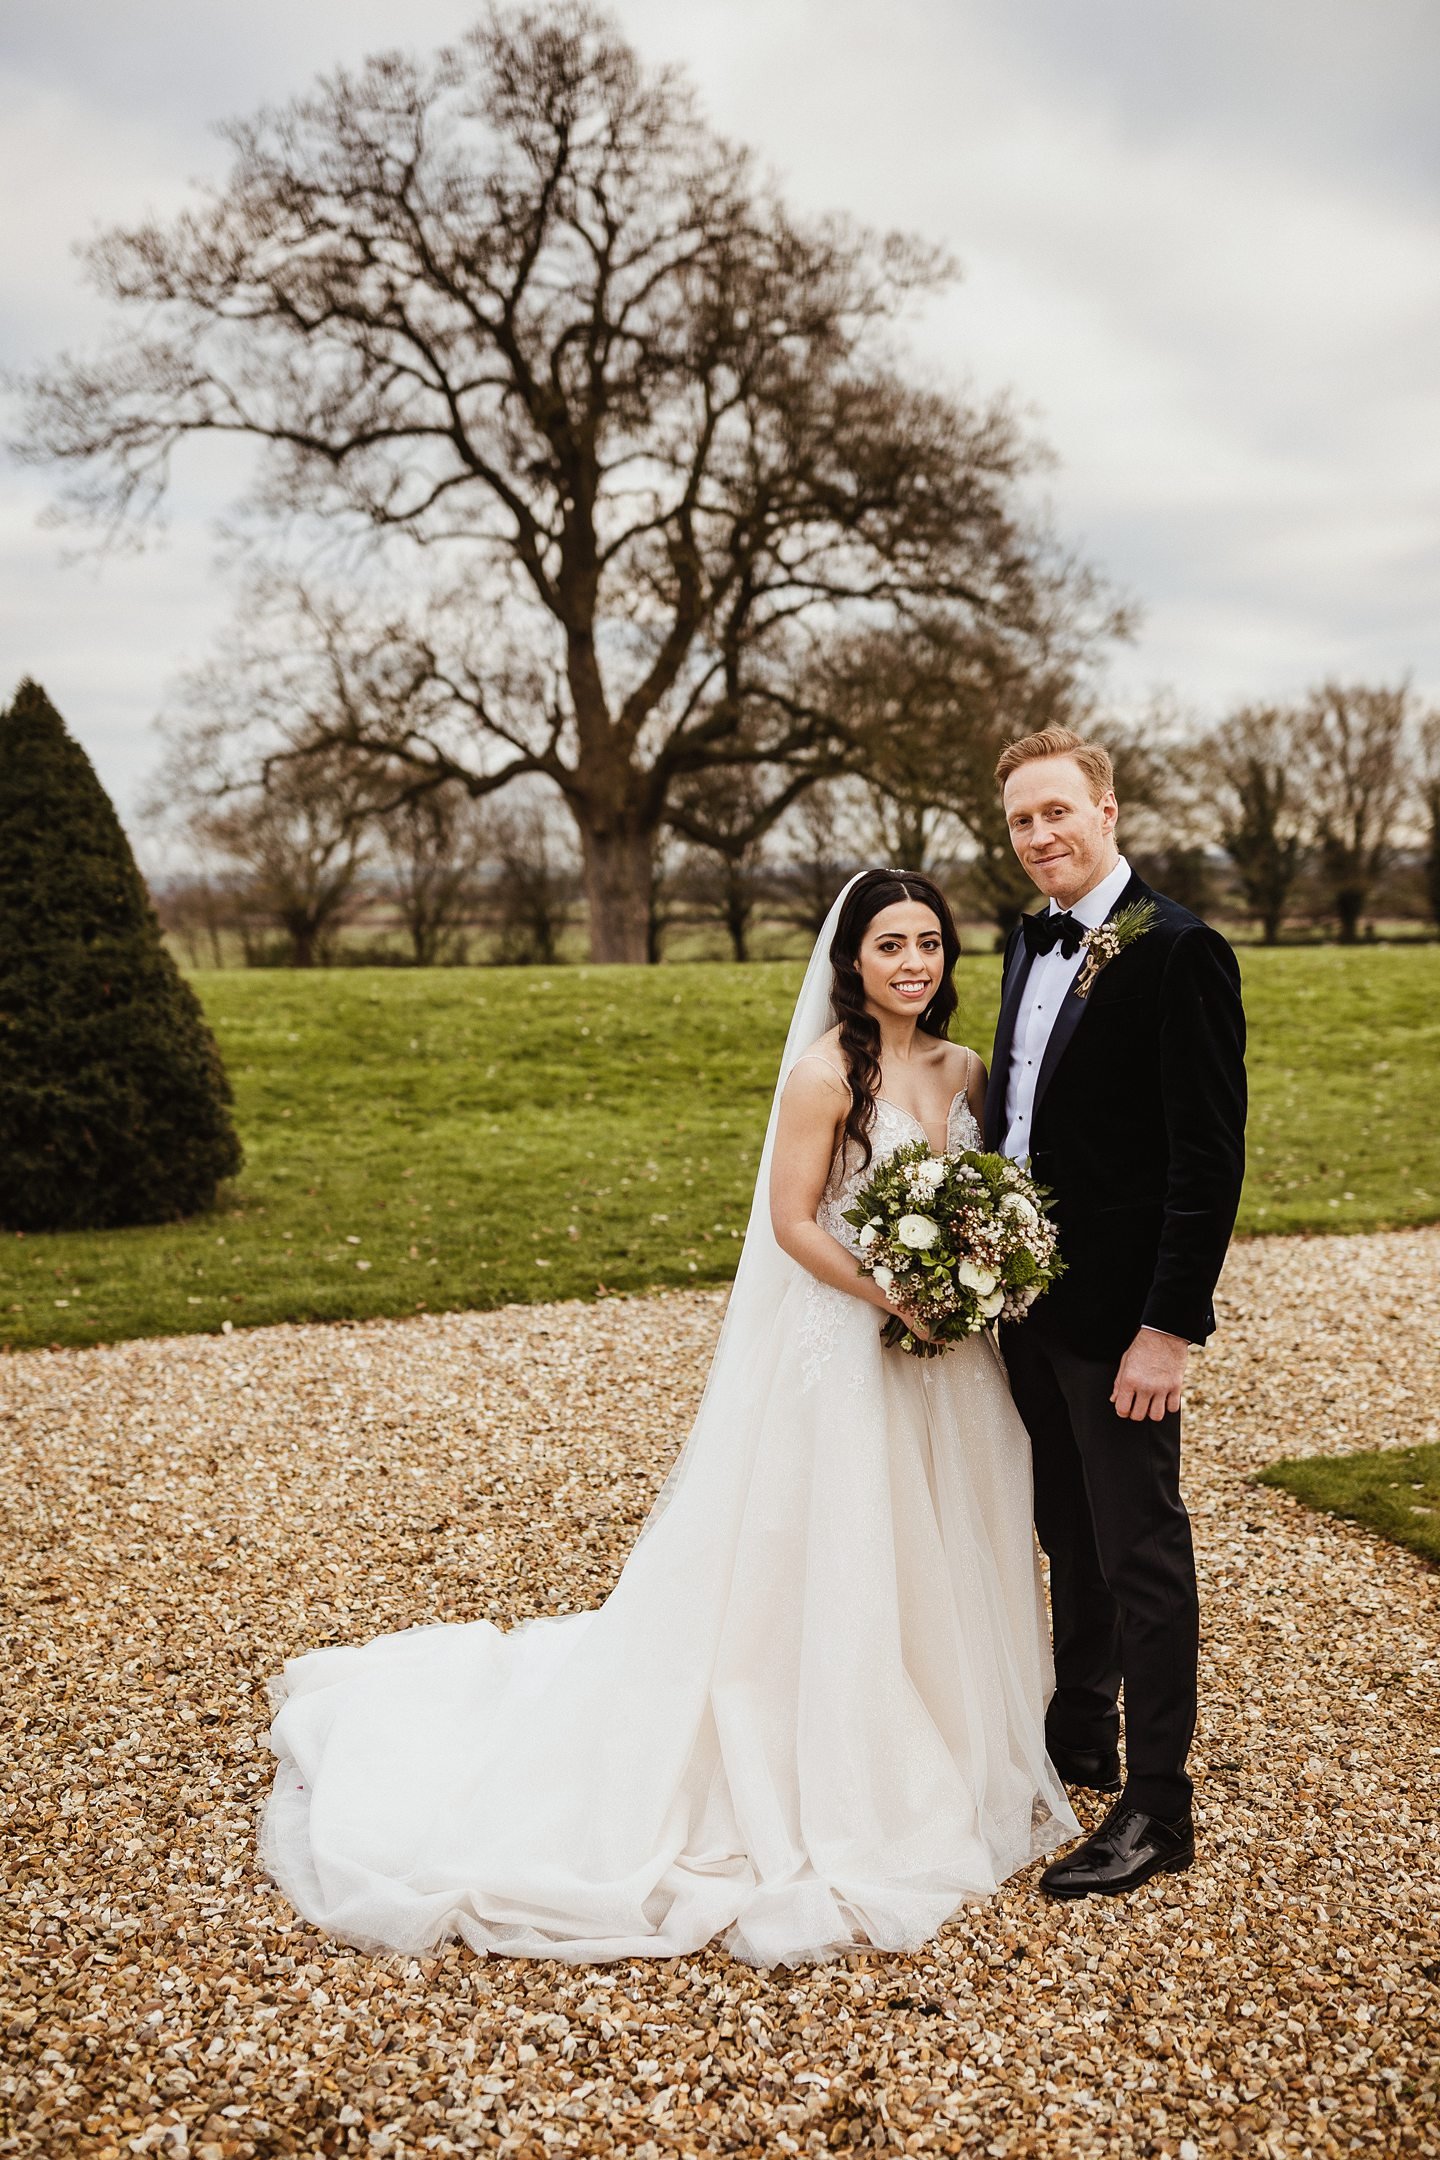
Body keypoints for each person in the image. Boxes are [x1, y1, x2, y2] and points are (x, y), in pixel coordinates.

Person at [261, 868, 1078, 1966]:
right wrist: (899, 1296)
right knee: (839, 1545)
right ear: (852, 961)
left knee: (948, 1535)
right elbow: (792, 1223)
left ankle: (956, 1738)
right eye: (890, 944)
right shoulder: (825, 1074)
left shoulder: (964, 1066)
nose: (914, 962)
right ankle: (836, 1763)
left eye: (929, 942)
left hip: (951, 1361)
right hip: (852, 1346)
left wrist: (972, 1283)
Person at [986, 727, 1246, 1900]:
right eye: (1020, 822)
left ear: (1107, 810)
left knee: (1142, 1551)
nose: (1040, 836)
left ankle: (1158, 1808)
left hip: (1123, 1323)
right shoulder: (1021, 942)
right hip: (1030, 1312)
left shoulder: (1180, 951)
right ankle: (1081, 1729)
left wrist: (1168, 1328)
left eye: (1056, 813)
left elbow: (1206, 1162)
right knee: (1067, 1536)